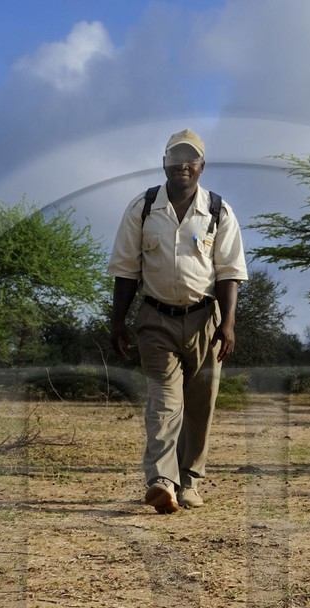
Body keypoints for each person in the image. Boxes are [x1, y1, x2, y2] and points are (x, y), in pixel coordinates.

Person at [109, 128, 247, 514]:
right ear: (164, 163)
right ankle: (161, 481)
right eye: (175, 158)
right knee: (165, 402)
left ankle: (189, 481)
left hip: (205, 320)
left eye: (190, 159)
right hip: (156, 318)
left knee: (200, 405)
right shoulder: (143, 207)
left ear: (202, 166)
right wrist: (117, 321)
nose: (182, 165)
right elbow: (125, 270)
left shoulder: (218, 211)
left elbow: (229, 272)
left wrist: (228, 324)